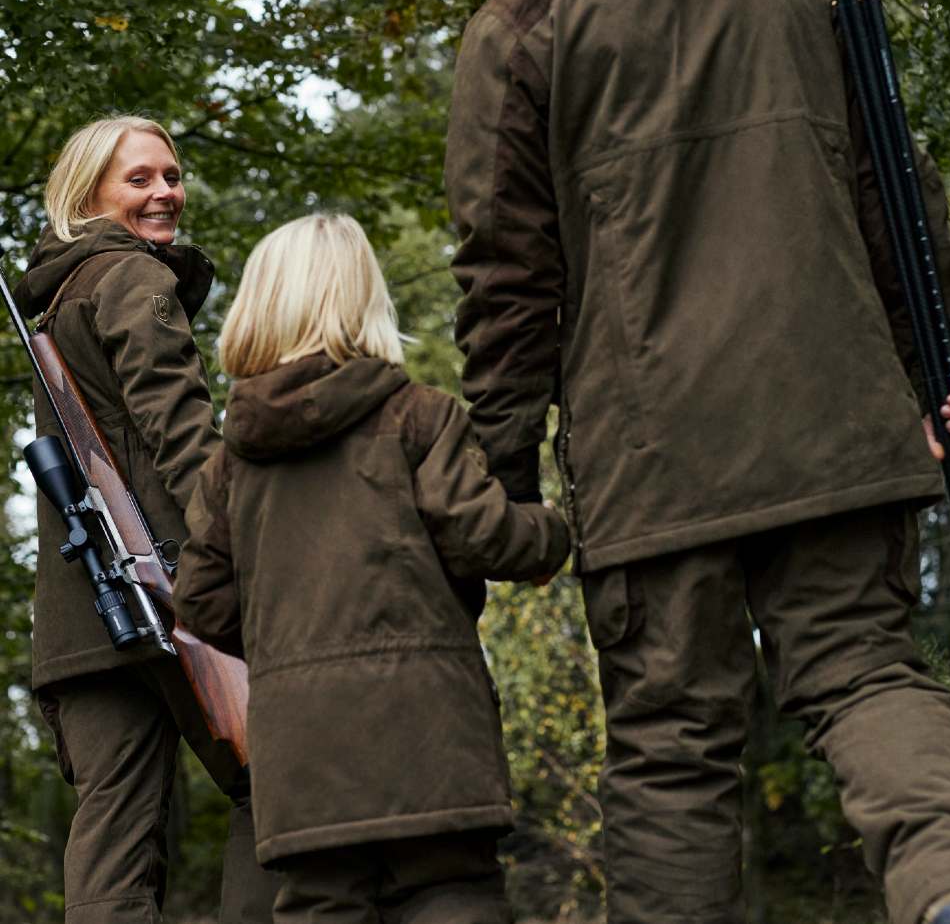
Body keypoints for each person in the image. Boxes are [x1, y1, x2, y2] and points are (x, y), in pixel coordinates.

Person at [398, 0, 950, 924]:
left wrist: (503, 480)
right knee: (868, 677)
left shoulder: (520, 30)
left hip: (652, 455)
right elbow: (894, 189)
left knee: (672, 747)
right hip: (836, 425)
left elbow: (506, 280)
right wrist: (947, 375)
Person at [172, 212, 570, 924]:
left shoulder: (231, 465)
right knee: (452, 899)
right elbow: (484, 537)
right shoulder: (418, 417)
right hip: (431, 738)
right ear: (365, 301)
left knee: (321, 906)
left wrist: (285, 639)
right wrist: (554, 533)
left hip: (302, 758)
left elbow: (200, 602)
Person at [14, 116, 277, 924]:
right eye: (139, 179)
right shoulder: (130, 276)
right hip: (172, 589)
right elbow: (182, 431)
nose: (165, 192)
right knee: (277, 789)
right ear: (87, 196)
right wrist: (243, 558)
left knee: (112, 845)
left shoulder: (56, 300)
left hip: (84, 619)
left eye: (171, 175)